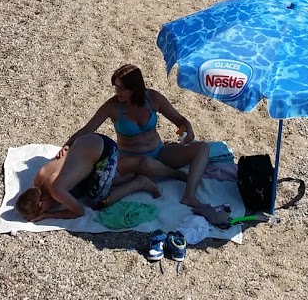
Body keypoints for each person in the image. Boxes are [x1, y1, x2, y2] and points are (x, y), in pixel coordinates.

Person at [70, 65, 230, 226]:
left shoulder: (152, 99)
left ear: (135, 88)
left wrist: (187, 129)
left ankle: (189, 195)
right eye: (115, 87)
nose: (117, 92)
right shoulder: (112, 106)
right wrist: (67, 147)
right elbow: (87, 130)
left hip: (158, 151)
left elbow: (179, 120)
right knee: (145, 163)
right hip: (129, 159)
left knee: (203, 148)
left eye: (121, 88)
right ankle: (176, 175)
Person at [14, 132, 162, 222]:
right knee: (76, 190)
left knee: (97, 202)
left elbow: (78, 212)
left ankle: (140, 183)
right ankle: (125, 178)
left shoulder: (56, 189)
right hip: (87, 141)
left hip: (106, 151)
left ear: (41, 205)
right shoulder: (38, 179)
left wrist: (47, 215)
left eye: (43, 209)